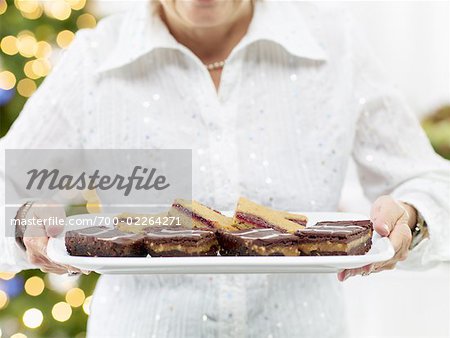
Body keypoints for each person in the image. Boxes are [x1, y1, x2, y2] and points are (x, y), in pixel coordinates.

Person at [1, 1, 449, 337]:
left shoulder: (334, 47)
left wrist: (411, 214)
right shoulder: (96, 58)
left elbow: (429, 183)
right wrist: (26, 220)